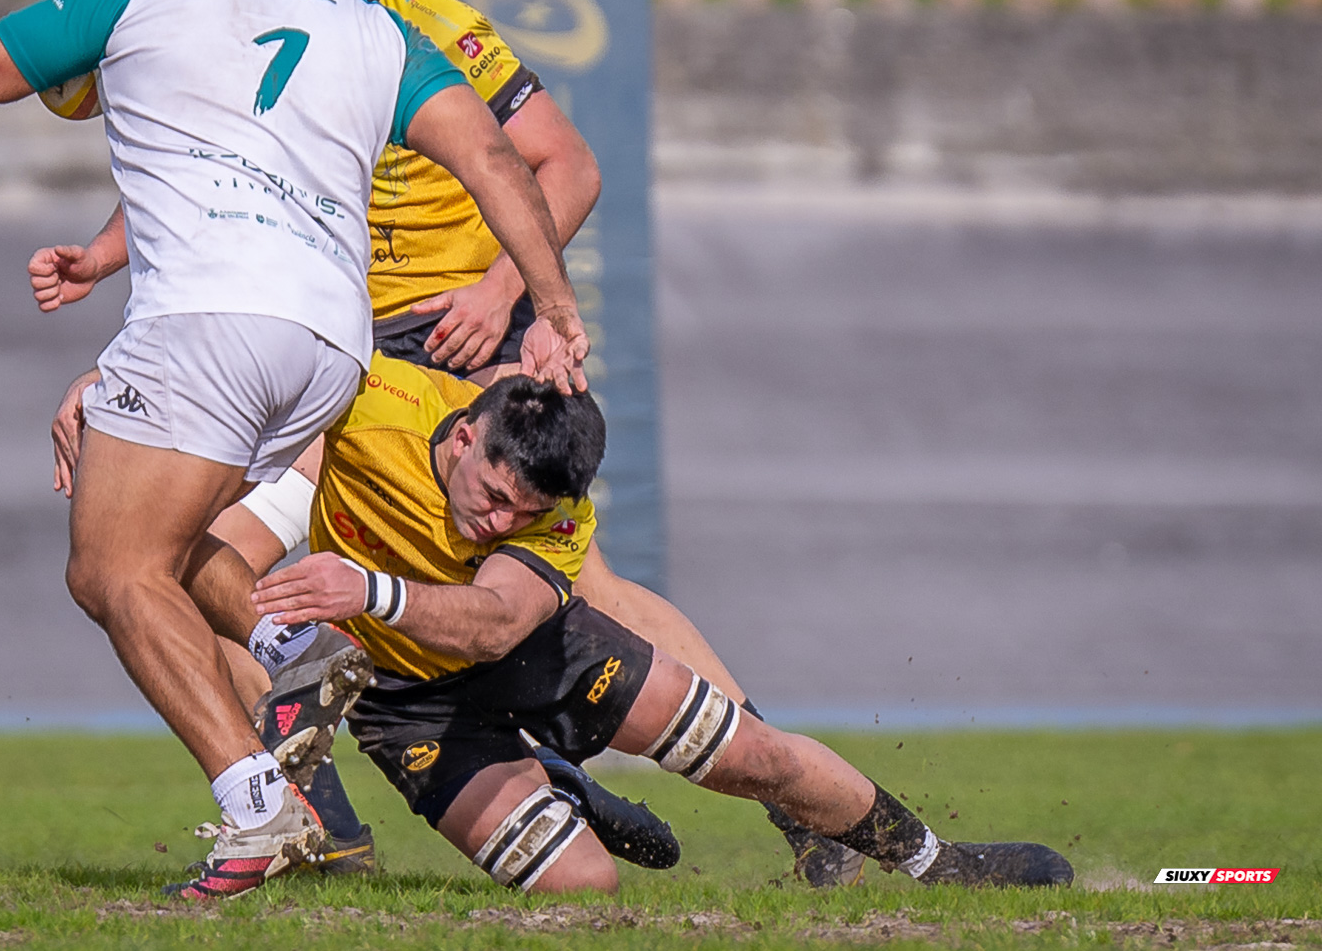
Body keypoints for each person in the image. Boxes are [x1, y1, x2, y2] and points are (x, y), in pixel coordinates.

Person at [30, 0, 864, 886]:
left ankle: (786, 798)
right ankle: (321, 823)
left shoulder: (433, 30)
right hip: (324, 348)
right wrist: (107, 271)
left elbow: (567, 162)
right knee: (196, 556)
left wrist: (503, 291)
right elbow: (208, 180)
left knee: (583, 590)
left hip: (443, 342)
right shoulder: (258, 19)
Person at [0, 0, 591, 901]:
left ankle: (257, 812)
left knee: (110, 571)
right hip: (331, 347)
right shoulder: (373, 25)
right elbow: (492, 158)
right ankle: (291, 640)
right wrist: (554, 308)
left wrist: (67, 14)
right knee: (174, 537)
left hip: (212, 319)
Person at [243, 353, 1077, 894]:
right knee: (583, 892)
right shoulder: (366, 399)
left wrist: (371, 591)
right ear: (463, 437)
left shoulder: (554, 515)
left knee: (758, 756)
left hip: (531, 652)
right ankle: (559, 784)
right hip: (406, 703)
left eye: (518, 513)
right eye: (491, 497)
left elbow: (496, 625)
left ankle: (942, 863)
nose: (495, 523)